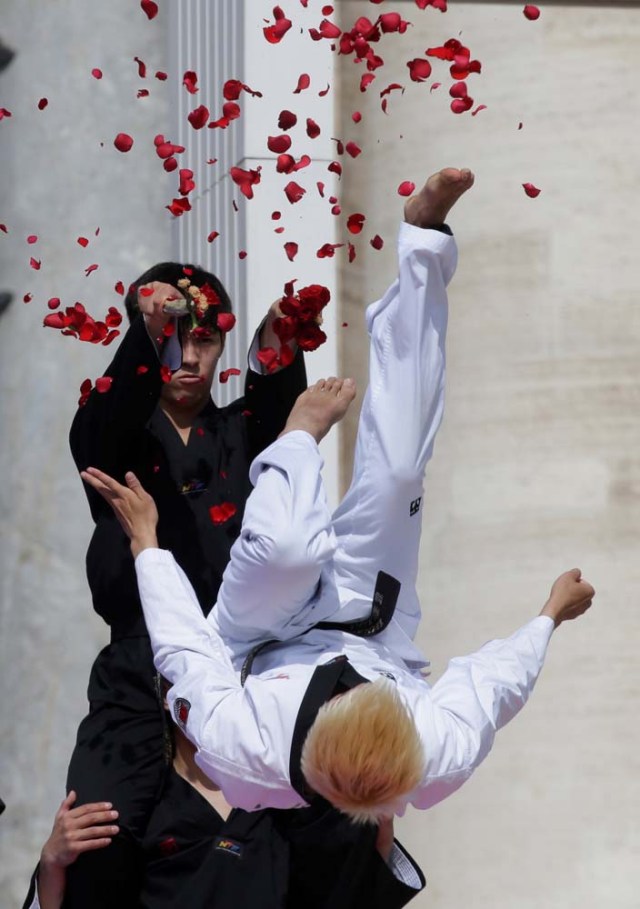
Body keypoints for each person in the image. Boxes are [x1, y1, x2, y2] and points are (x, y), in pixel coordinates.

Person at [85, 167, 595, 823]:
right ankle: (424, 239)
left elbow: (186, 650)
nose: (341, 679)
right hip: (374, 613)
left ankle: (299, 436)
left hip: (264, 629)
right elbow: (496, 685)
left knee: (290, 548)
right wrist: (548, 615)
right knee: (402, 468)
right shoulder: (436, 756)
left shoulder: (248, 753)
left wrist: (150, 546)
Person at [61, 261, 307, 908]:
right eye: (175, 336)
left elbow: (279, 414)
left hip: (230, 674)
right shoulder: (121, 439)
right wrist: (149, 329)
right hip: (136, 673)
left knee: (273, 841)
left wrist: (280, 340)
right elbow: (93, 438)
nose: (190, 357)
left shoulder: (240, 433)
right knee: (95, 836)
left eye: (204, 339)